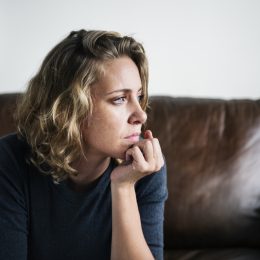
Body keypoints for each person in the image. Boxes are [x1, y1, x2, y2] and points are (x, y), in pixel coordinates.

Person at [0, 29, 168, 260]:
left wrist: (123, 187)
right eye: (119, 99)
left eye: (138, 97)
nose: (141, 115)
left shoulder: (144, 166)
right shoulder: (9, 161)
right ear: (70, 108)